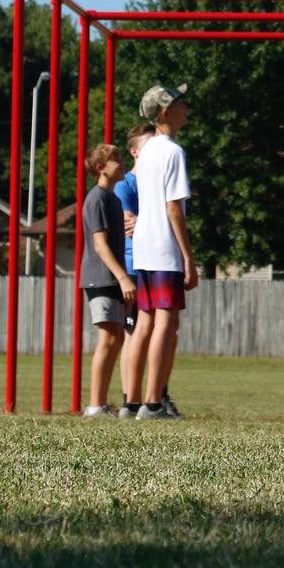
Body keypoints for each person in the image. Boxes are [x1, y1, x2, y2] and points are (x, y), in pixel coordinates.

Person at [130, 83, 200, 420]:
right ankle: (153, 403)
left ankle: (132, 402)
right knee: (165, 324)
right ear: (165, 112)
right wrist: (188, 257)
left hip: (143, 246)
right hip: (163, 248)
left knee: (144, 322)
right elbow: (174, 209)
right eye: (180, 103)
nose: (186, 107)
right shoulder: (173, 152)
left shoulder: (146, 152)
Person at [79, 143, 138, 417]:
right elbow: (100, 246)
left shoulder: (113, 199)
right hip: (100, 278)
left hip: (112, 278)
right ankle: (95, 406)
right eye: (116, 159)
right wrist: (124, 278)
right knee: (108, 337)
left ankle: (101, 404)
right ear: (100, 168)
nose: (122, 163)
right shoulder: (97, 199)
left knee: (116, 336)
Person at [114, 123, 157, 417]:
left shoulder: (155, 184)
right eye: (148, 145)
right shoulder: (125, 185)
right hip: (132, 266)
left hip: (153, 263)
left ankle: (151, 396)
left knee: (151, 330)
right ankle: (130, 398)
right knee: (132, 331)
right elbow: (127, 227)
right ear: (134, 151)